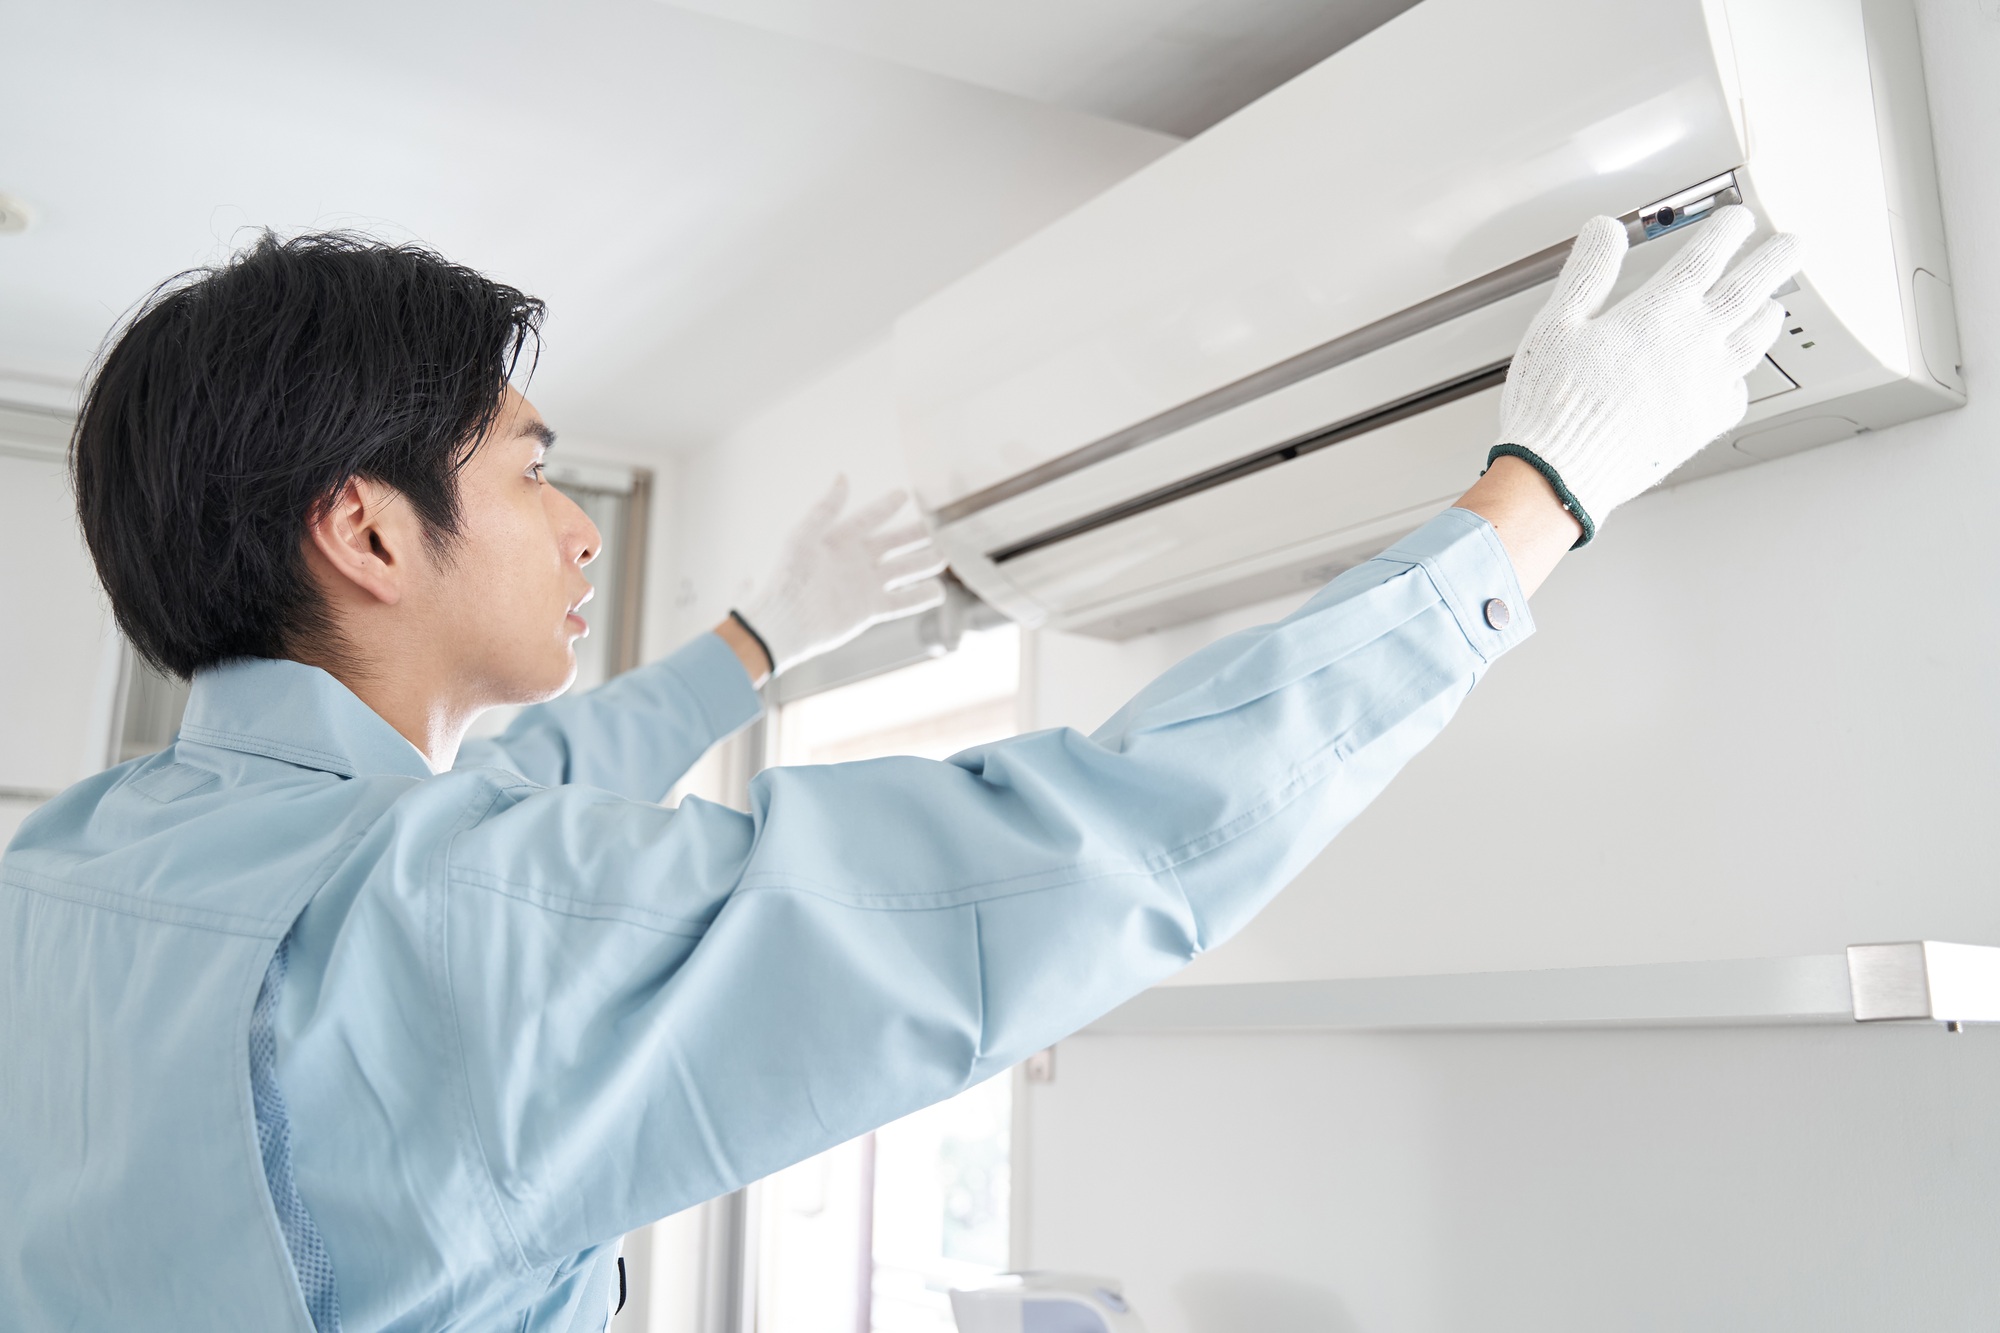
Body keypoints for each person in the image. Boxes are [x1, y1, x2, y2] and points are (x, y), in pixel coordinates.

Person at [0, 208, 1798, 1332]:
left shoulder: (77, 870)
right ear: (369, 531)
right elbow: (1083, 852)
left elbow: (513, 798)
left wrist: (759, 647)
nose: (574, 531)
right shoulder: (449, 925)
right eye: (535, 468)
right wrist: (1537, 499)